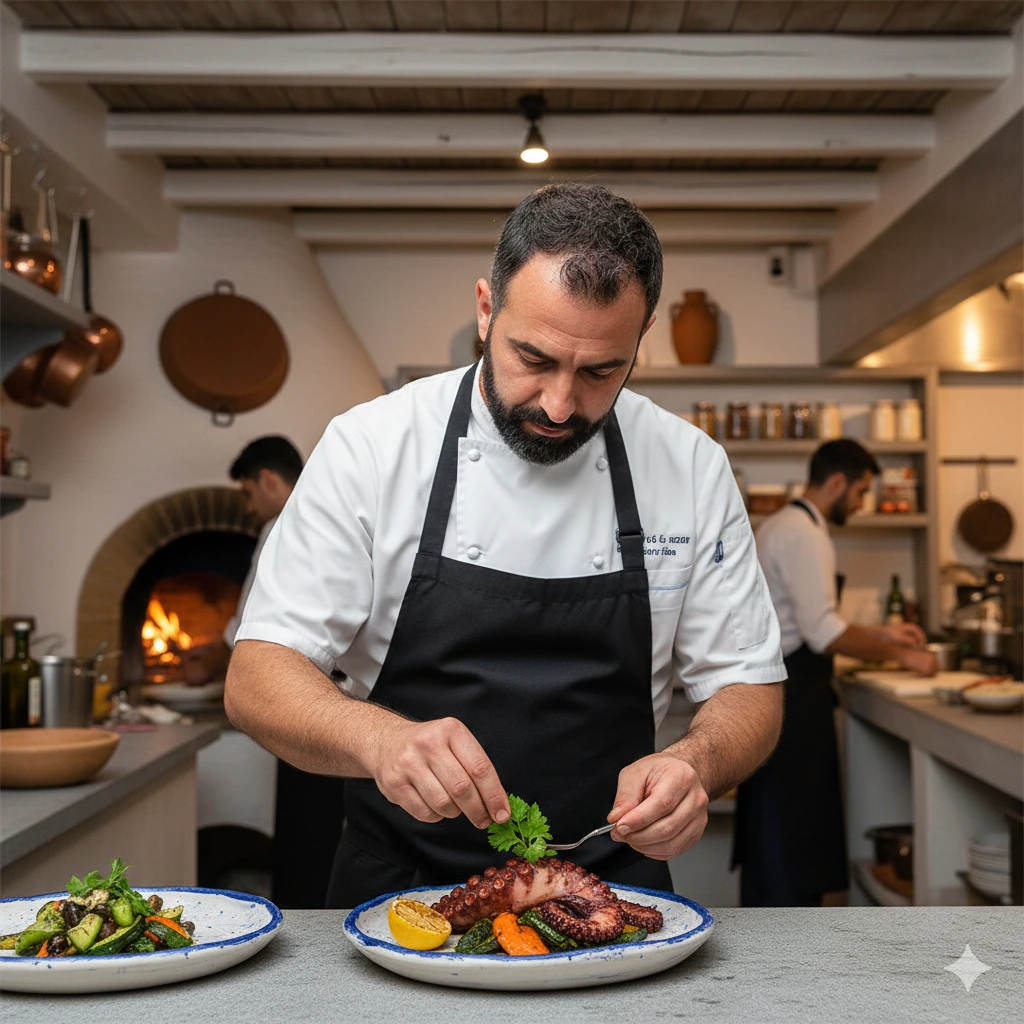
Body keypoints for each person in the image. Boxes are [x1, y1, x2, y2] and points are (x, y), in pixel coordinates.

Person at [226, 182, 787, 910]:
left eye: (599, 372)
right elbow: (257, 675)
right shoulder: (372, 446)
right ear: (486, 310)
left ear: (640, 342)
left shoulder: (687, 466)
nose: (559, 404)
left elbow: (749, 685)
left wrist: (697, 762)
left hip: (607, 896)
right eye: (534, 357)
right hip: (401, 896)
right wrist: (378, 740)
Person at [732, 439, 938, 907]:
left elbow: (811, 618)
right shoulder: (806, 534)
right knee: (793, 828)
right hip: (794, 696)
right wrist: (905, 659)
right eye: (862, 492)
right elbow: (823, 632)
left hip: (781, 686)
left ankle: (777, 940)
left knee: (780, 828)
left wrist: (885, 636)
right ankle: (792, 950)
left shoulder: (786, 523)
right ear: (838, 482)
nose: (862, 504)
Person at [223, 436, 304, 647]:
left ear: (268, 480)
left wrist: (214, 659)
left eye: (248, 493)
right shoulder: (330, 516)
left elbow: (249, 618)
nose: (249, 507)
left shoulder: (278, 527)